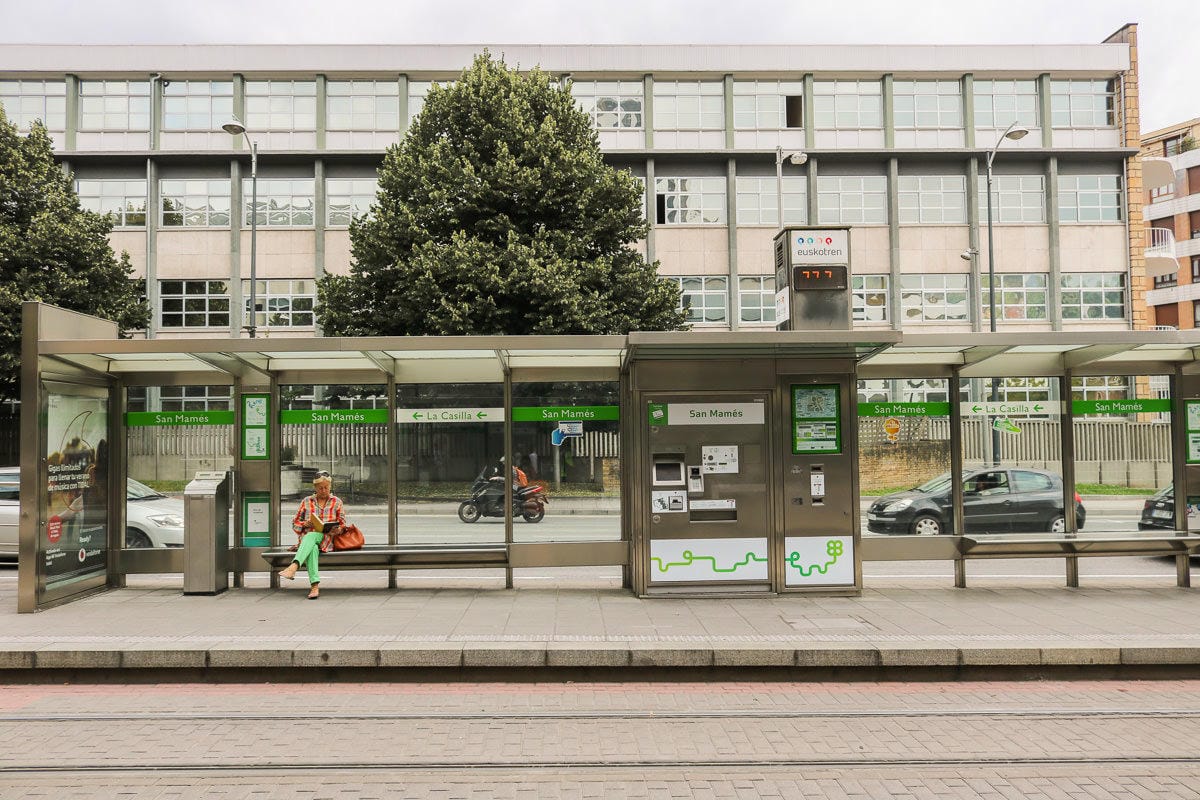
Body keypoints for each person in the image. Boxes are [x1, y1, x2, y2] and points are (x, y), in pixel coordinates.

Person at [278, 471, 346, 599]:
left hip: (327, 539)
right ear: (315, 488)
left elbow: (342, 525)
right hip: (308, 541)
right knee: (312, 546)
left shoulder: (337, 502)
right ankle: (314, 587)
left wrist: (338, 530)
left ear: (330, 487)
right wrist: (305, 524)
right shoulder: (306, 501)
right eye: (320, 488)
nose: (324, 490)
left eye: (326, 487)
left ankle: (293, 566)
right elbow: (295, 523)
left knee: (311, 536)